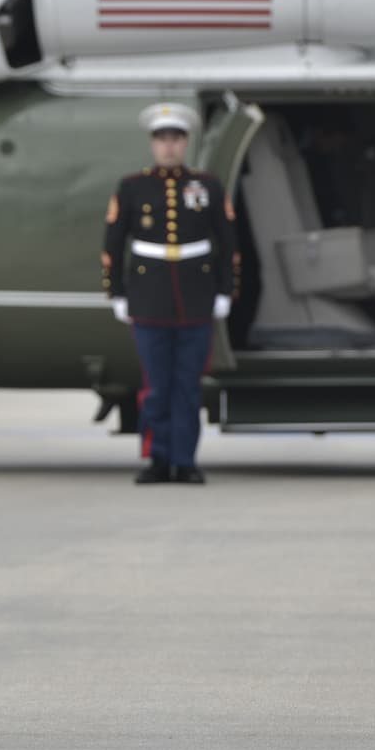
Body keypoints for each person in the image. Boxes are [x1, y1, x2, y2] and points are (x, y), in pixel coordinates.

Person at [101, 102, 237, 485]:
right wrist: (117, 292)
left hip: (196, 298)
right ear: (152, 143)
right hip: (149, 298)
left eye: (176, 138)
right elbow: (114, 242)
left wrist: (225, 290)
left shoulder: (207, 186)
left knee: (188, 387)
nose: (169, 146)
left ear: (186, 142)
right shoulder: (132, 187)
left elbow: (228, 241)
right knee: (156, 387)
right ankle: (158, 459)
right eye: (162, 138)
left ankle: (185, 460)